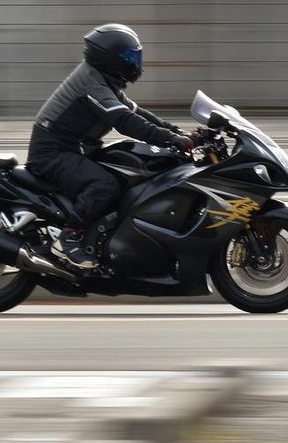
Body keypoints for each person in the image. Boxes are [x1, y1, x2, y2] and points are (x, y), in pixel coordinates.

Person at [27, 24, 192, 269]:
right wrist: (170, 140)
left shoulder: (105, 81)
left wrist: (177, 132)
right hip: (52, 152)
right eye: (128, 56)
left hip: (71, 148)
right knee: (105, 184)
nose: (134, 61)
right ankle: (68, 238)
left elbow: (137, 113)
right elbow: (125, 121)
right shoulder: (92, 83)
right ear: (110, 58)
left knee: (125, 168)